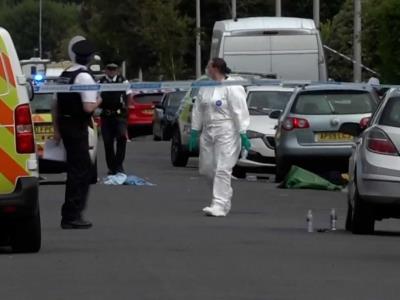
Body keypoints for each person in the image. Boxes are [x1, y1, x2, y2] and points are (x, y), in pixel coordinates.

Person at [189, 58, 251, 217]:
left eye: (209, 66)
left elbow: (240, 110)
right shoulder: (205, 87)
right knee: (207, 169)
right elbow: (198, 109)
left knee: (222, 168)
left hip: (227, 130)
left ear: (215, 68)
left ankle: (219, 204)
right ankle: (225, 194)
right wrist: (195, 130)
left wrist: (243, 132)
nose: (206, 69)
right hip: (208, 130)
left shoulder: (233, 86)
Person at [53, 36, 101, 229]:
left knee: (77, 169)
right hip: (77, 126)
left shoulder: (65, 74)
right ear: (89, 58)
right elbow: (88, 107)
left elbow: (54, 104)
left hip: (65, 124)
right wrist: (100, 100)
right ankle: (72, 214)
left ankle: (71, 213)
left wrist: (56, 130)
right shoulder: (84, 76)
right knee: (81, 171)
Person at [99, 62, 131, 175]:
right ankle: (111, 167)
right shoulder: (101, 82)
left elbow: (128, 95)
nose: (111, 71)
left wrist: (127, 108)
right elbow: (96, 96)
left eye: (114, 69)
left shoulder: (123, 81)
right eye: (109, 69)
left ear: (117, 70)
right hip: (106, 116)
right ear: (106, 70)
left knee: (122, 138)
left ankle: (119, 165)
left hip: (120, 115)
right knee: (108, 142)